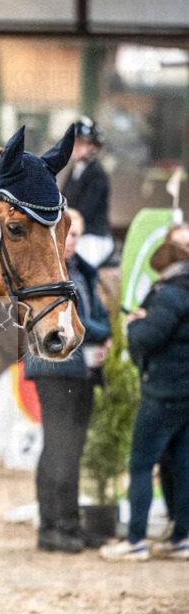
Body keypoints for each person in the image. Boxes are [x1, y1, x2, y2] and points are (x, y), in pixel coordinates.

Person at [24, 208, 112, 553]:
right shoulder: (51, 275)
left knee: (71, 449)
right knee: (57, 448)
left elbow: (98, 315)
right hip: (54, 368)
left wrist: (100, 336)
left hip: (81, 368)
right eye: (69, 234)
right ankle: (51, 526)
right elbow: (82, 323)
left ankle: (71, 524)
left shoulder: (83, 272)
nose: (73, 240)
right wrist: (101, 335)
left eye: (77, 235)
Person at [101, 223, 189, 561]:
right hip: (184, 396)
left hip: (163, 392)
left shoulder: (168, 294)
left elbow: (149, 338)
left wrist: (136, 323)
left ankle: (135, 538)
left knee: (140, 465)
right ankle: (181, 536)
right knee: (182, 466)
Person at [62, 117, 114, 269]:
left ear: (94, 147)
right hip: (75, 232)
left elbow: (84, 212)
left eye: (82, 143)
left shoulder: (97, 174)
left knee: (75, 265)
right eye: (75, 143)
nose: (76, 147)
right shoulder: (75, 170)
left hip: (92, 237)